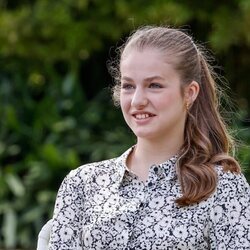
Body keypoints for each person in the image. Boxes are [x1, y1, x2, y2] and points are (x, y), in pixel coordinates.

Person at [45, 26, 250, 249]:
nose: (137, 101)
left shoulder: (223, 187)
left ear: (190, 93)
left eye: (154, 85)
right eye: (128, 86)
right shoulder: (82, 185)